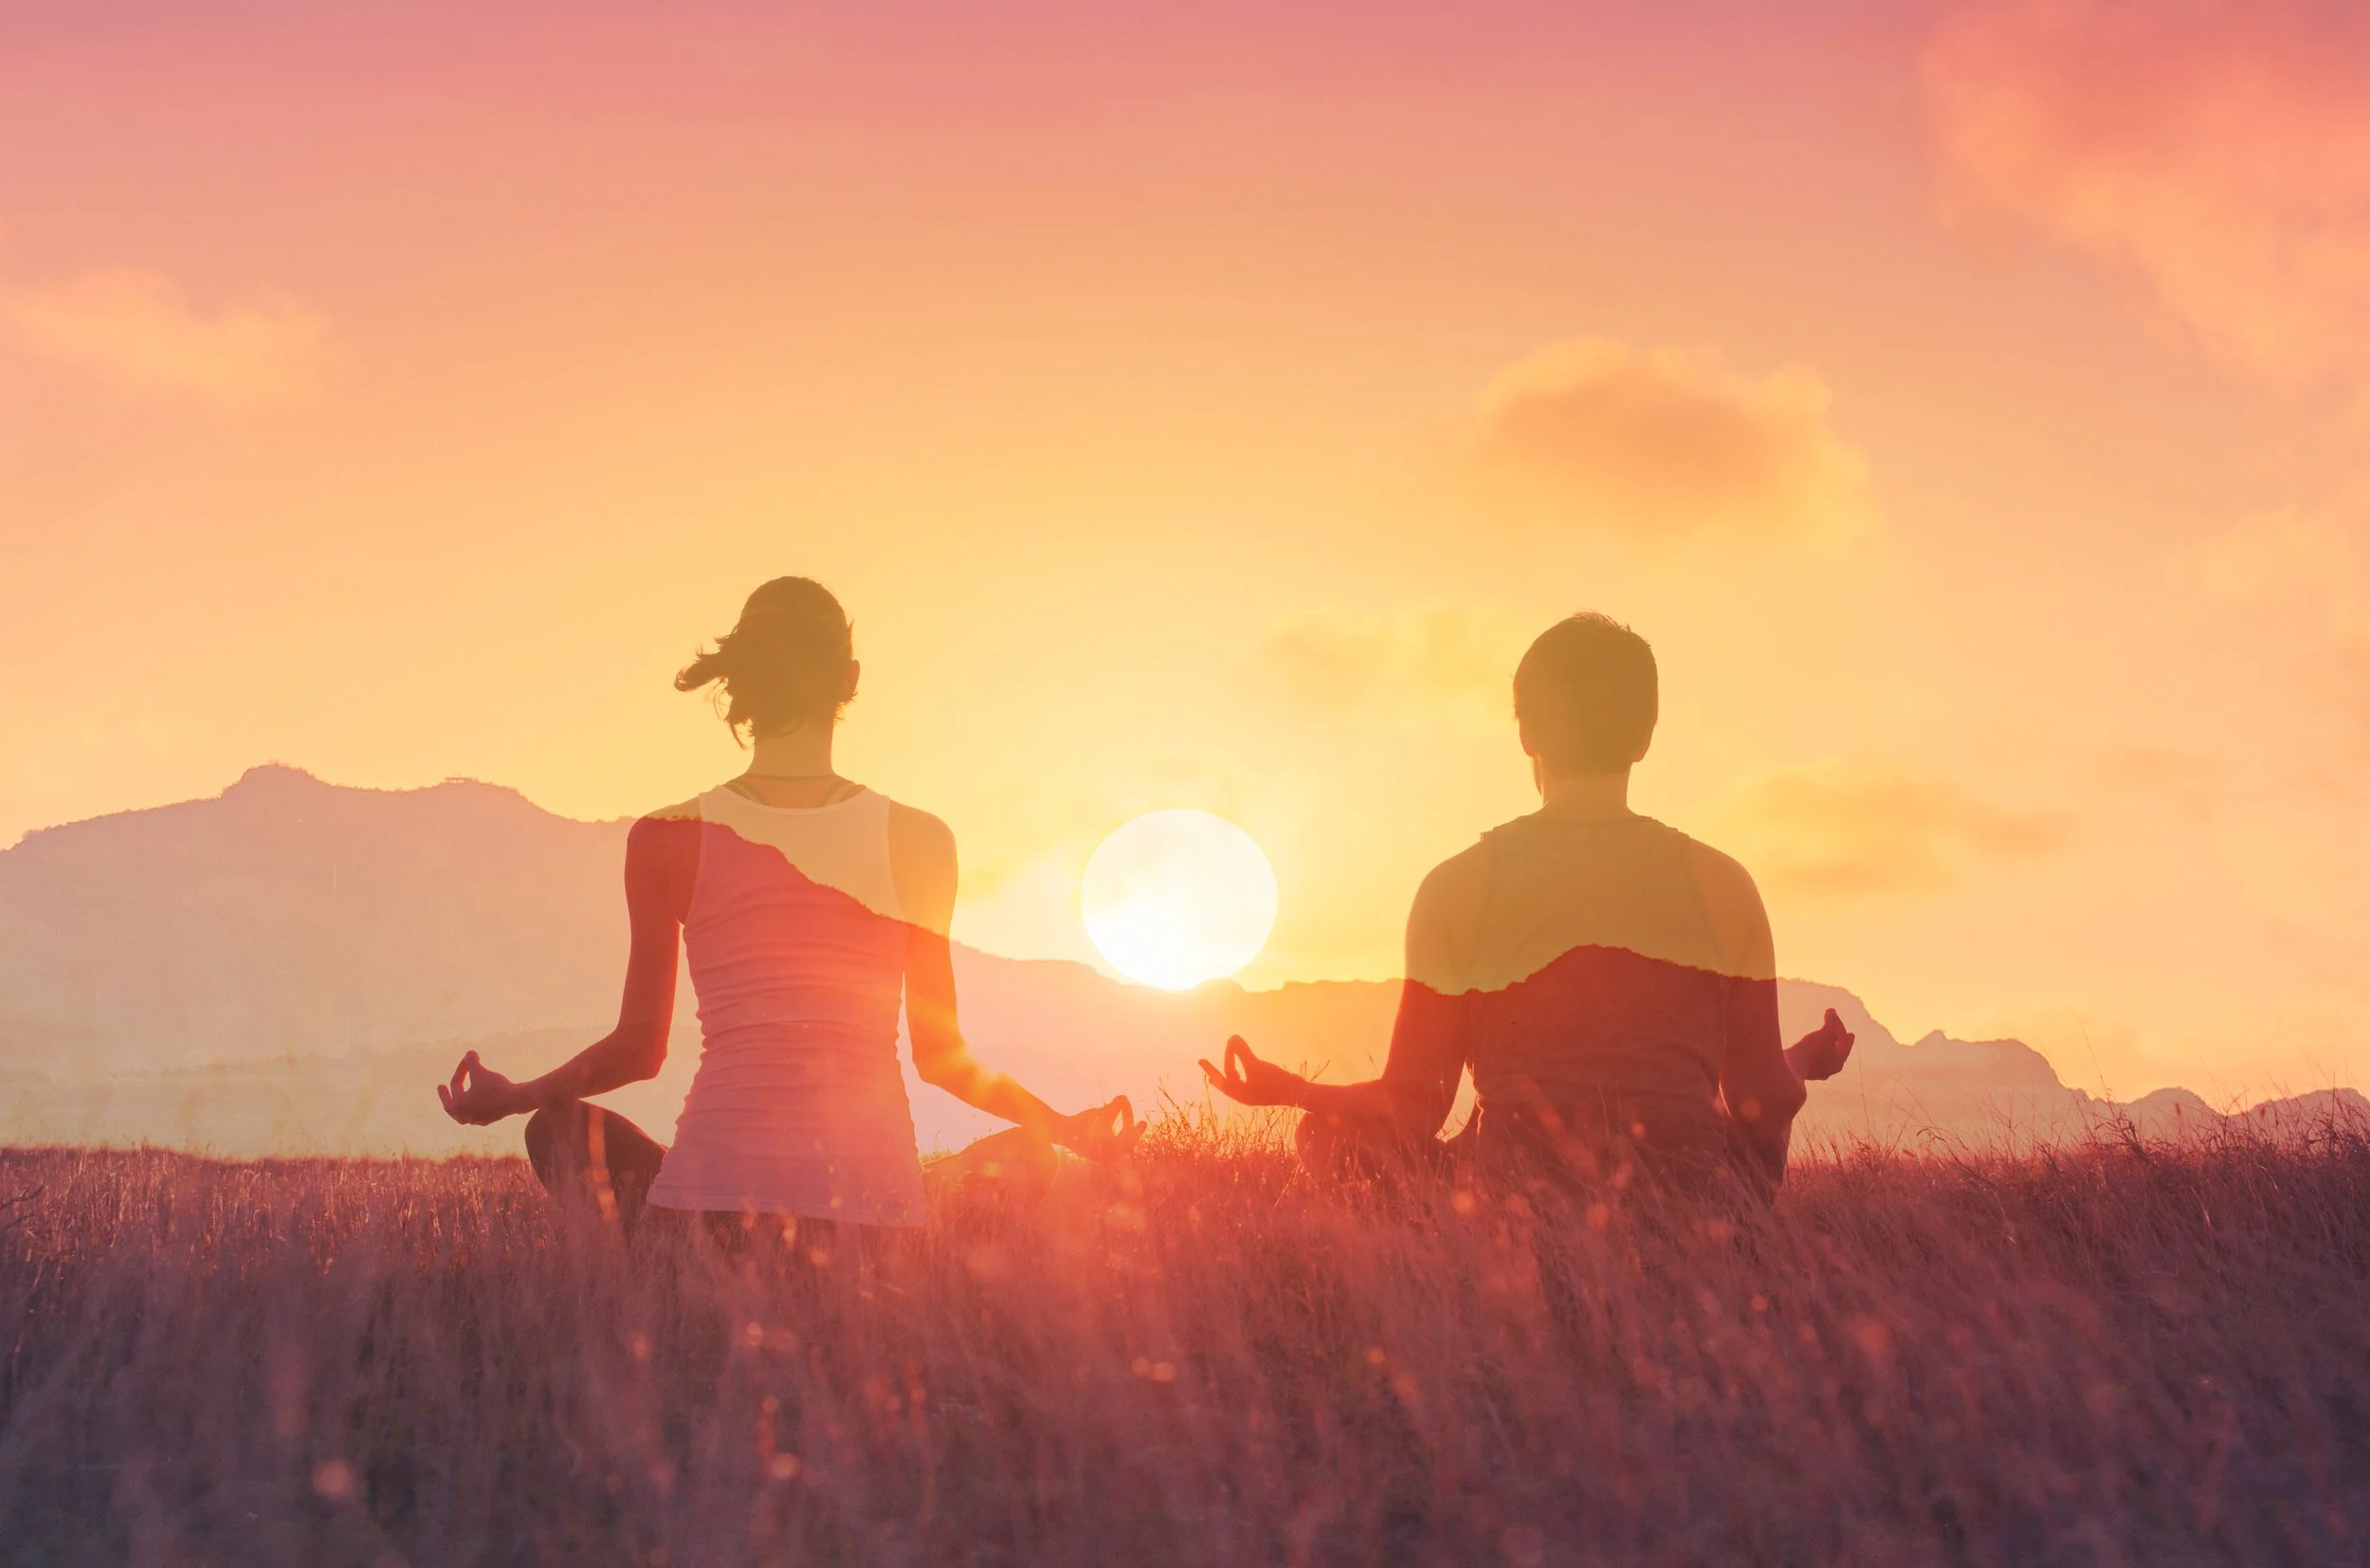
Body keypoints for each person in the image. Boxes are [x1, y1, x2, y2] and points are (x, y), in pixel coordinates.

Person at [437, 575, 1138, 1244]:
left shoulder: (664, 841)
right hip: (873, 1225)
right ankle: (925, 1249)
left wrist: (516, 1096)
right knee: (1031, 1153)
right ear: (850, 679)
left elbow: (639, 1050)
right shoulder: (920, 841)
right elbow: (943, 1059)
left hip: (705, 1222)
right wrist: (1066, 1128)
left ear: (738, 682)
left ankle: (652, 1271)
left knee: (551, 1129)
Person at [1200, 612, 1851, 1199]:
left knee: (1321, 1136)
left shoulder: (1459, 886)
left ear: (1526, 732)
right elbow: (1762, 1097)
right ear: (1645, 736)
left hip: (1511, 1207)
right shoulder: (1724, 884)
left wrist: (1291, 1092)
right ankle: (1742, 1246)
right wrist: (1801, 1059)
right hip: (1696, 1211)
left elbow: (1412, 1107)